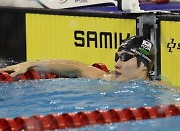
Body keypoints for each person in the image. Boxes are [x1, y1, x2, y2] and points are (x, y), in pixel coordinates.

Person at [0, 36, 155, 82]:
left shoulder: (159, 90)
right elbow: (76, 67)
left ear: (144, 66)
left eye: (125, 58)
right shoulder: (108, 78)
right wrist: (31, 64)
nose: (116, 63)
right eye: (117, 57)